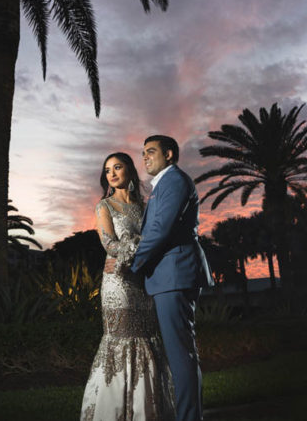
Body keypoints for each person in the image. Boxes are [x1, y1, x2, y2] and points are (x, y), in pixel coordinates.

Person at [80, 152, 175, 421]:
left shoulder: (145, 208)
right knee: (120, 342)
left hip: (143, 282)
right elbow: (109, 245)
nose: (111, 173)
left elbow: (157, 241)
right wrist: (137, 244)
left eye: (117, 167)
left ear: (130, 171)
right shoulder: (104, 207)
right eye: (107, 169)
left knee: (147, 341)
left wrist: (137, 247)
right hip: (117, 286)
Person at [129, 135, 215, 421]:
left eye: (150, 152)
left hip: (175, 275)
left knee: (181, 356)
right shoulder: (163, 184)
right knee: (180, 354)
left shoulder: (175, 180)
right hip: (169, 276)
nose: (145, 157)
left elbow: (161, 229)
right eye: (142, 153)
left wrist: (133, 266)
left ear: (169, 154)